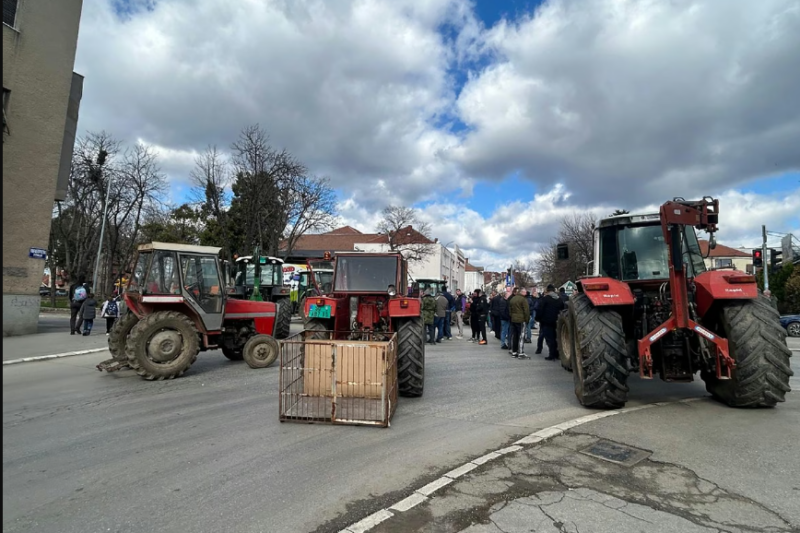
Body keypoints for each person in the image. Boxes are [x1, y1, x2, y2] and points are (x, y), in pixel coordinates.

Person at [536, 284, 565, 361]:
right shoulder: (559, 299)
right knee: (556, 338)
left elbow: (540, 309)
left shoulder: (545, 299)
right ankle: (557, 354)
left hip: (546, 321)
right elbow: (563, 309)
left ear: (548, 291)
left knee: (549, 339)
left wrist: (538, 318)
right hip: (557, 321)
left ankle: (552, 355)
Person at [509, 287, 531, 358]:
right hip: (521, 320)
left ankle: (514, 351)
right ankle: (520, 352)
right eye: (525, 292)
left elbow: (510, 310)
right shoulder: (523, 299)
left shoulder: (513, 299)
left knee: (514, 336)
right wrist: (527, 320)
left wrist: (512, 317)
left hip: (513, 319)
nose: (526, 293)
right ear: (522, 292)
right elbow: (526, 311)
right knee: (521, 336)